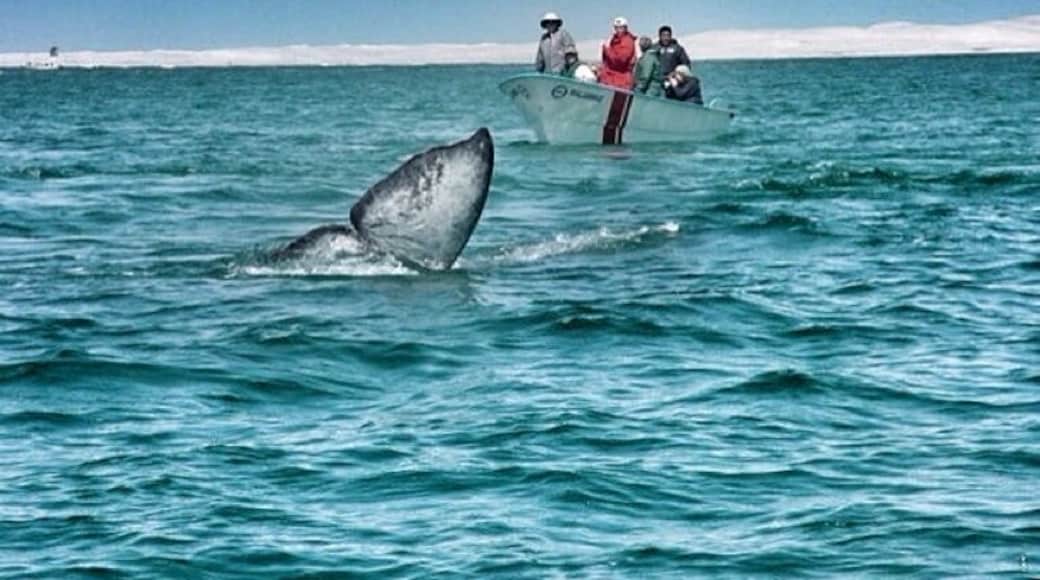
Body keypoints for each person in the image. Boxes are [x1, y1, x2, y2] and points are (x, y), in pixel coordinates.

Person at [598, 17, 637, 89]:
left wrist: (607, 49)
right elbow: (605, 60)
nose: (618, 30)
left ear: (625, 28)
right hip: (610, 79)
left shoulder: (627, 41)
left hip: (620, 81)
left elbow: (620, 61)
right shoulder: (613, 40)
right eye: (616, 28)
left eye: (621, 28)